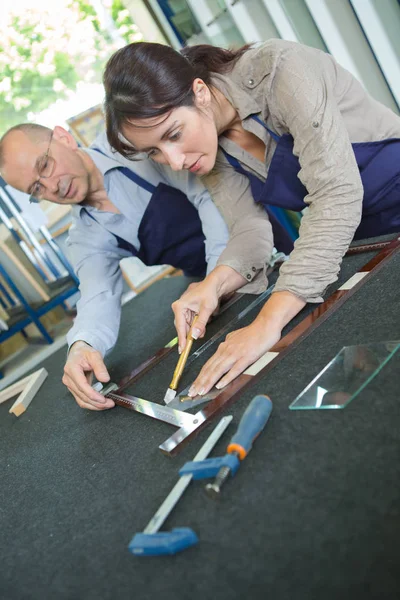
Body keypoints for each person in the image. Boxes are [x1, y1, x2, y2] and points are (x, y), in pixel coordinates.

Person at [102, 38, 400, 398]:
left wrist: (266, 324)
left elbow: (335, 194)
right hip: (360, 244)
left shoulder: (283, 70)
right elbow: (248, 226)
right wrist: (213, 284)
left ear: (200, 93)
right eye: (155, 151)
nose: (175, 161)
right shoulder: (210, 145)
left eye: (174, 135)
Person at [0, 123, 229, 409]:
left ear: (63, 137)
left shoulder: (129, 142)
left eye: (44, 166)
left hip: (242, 239)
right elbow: (97, 295)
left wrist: (218, 276)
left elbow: (206, 194)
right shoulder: (85, 235)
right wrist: (82, 345)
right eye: (37, 188)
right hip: (201, 288)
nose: (52, 186)